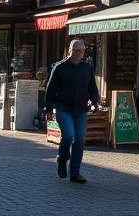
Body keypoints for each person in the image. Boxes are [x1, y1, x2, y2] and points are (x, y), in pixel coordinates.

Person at [43, 39, 101, 184]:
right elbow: (50, 90)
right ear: (70, 51)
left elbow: (92, 87)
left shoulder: (86, 68)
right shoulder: (60, 68)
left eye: (82, 51)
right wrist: (48, 109)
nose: (79, 54)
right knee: (69, 135)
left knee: (79, 139)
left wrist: (95, 102)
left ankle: (75, 172)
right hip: (64, 108)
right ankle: (62, 158)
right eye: (76, 51)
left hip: (81, 109)